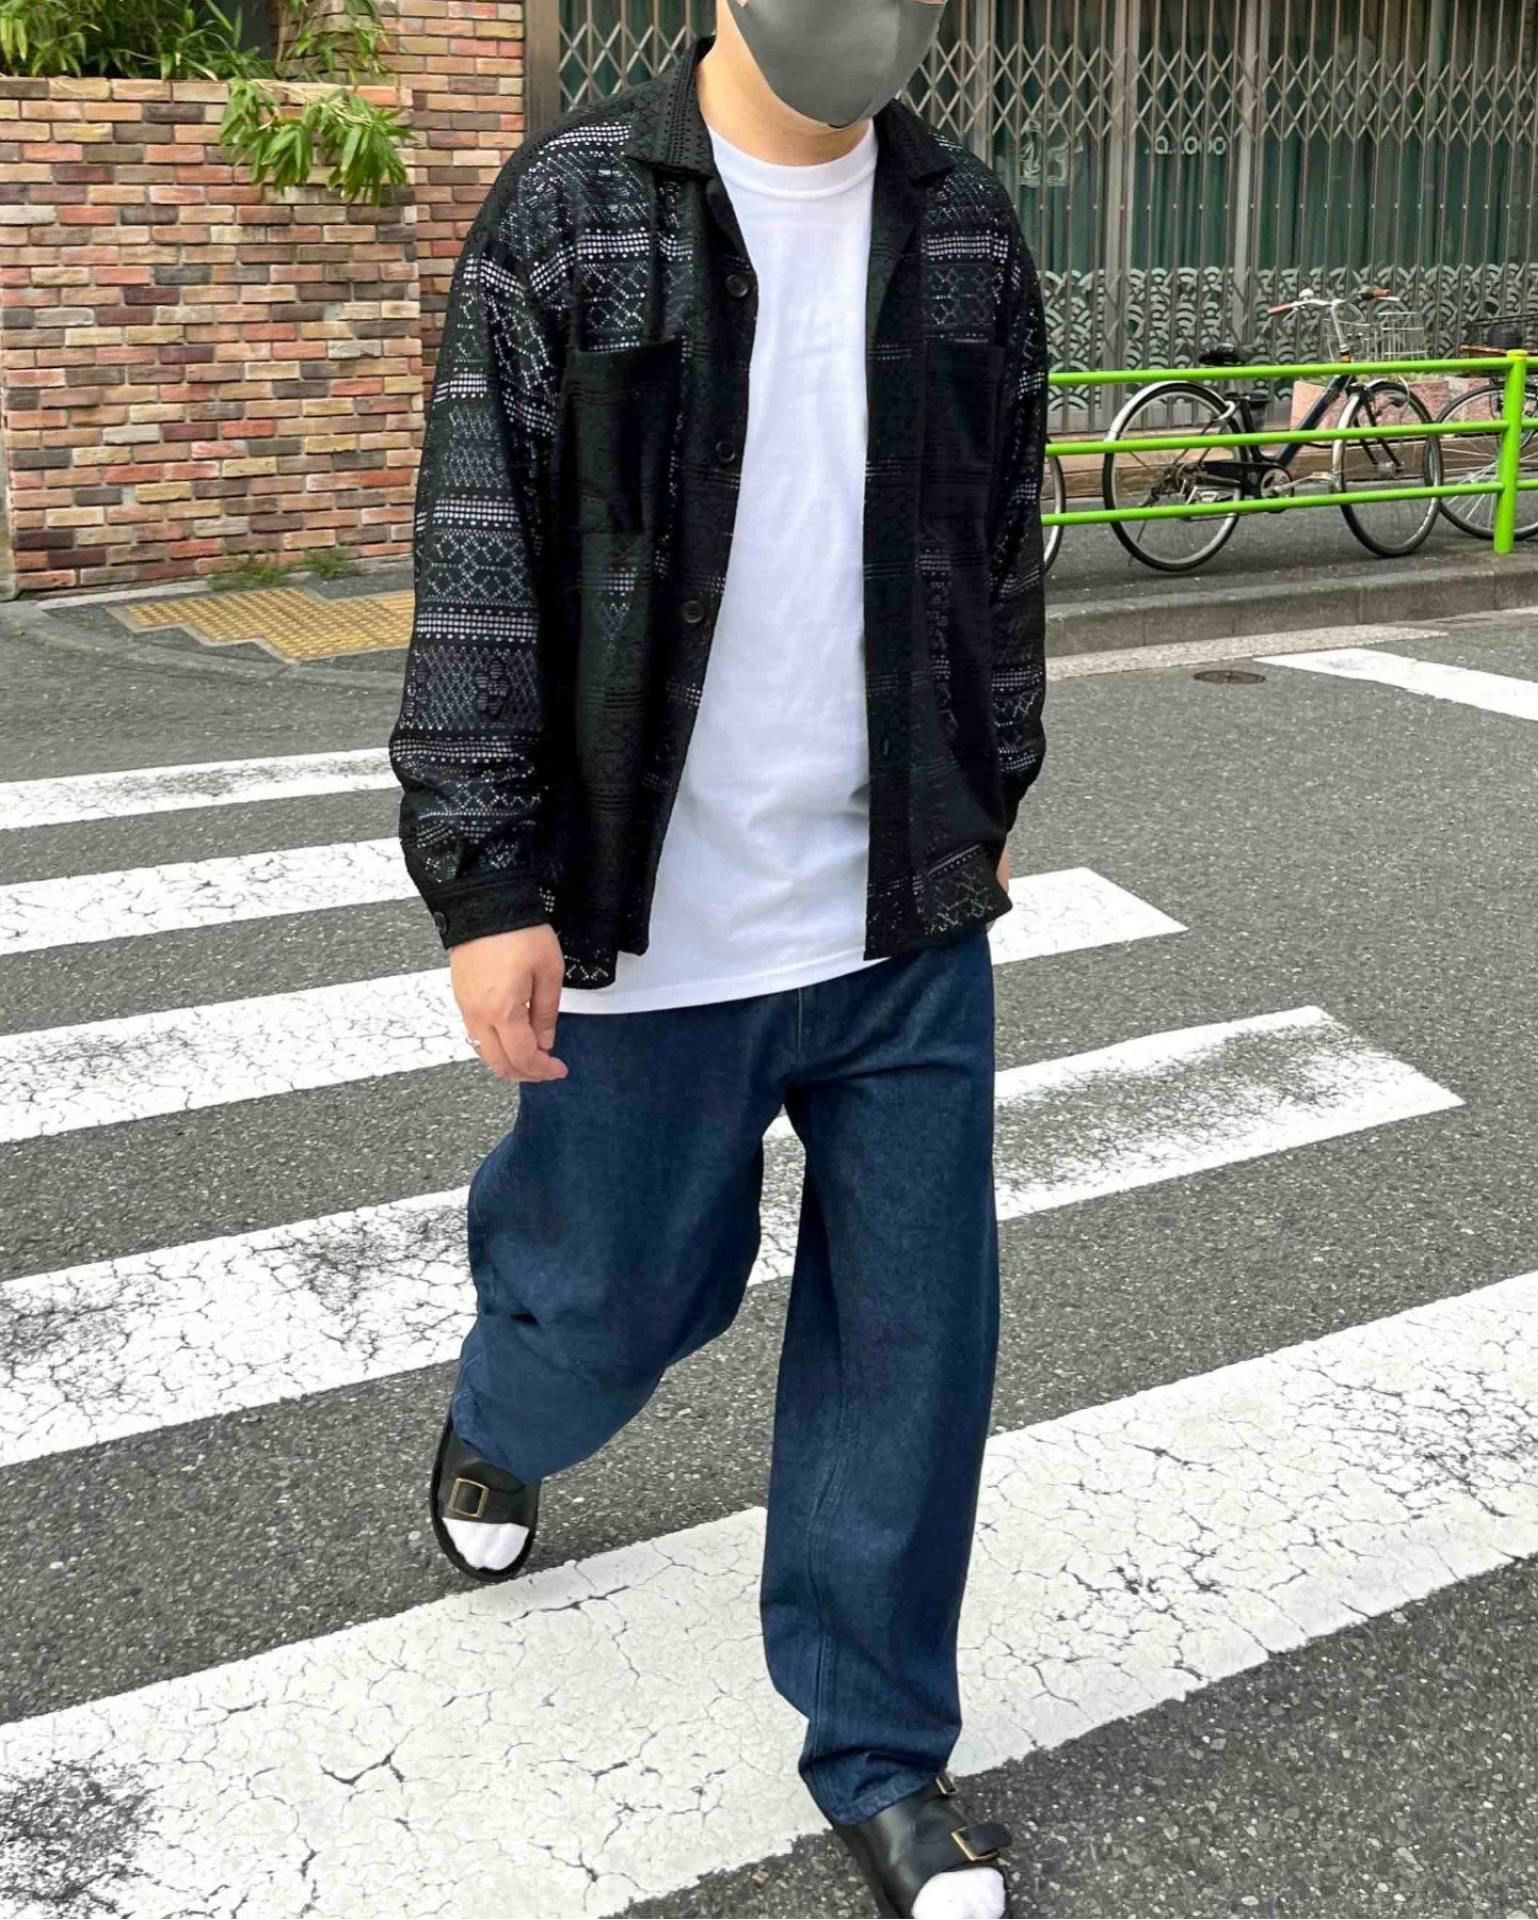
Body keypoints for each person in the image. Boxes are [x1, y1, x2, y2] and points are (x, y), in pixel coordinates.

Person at [387, 3, 1048, 1913]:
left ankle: (882, 1755)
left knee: (914, 1338)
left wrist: (993, 779)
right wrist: (485, 886)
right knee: (616, 1303)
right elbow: (480, 550)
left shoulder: (967, 224)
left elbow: (1004, 534)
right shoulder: (574, 210)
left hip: (898, 913)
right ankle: (508, 1411)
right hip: (648, 923)